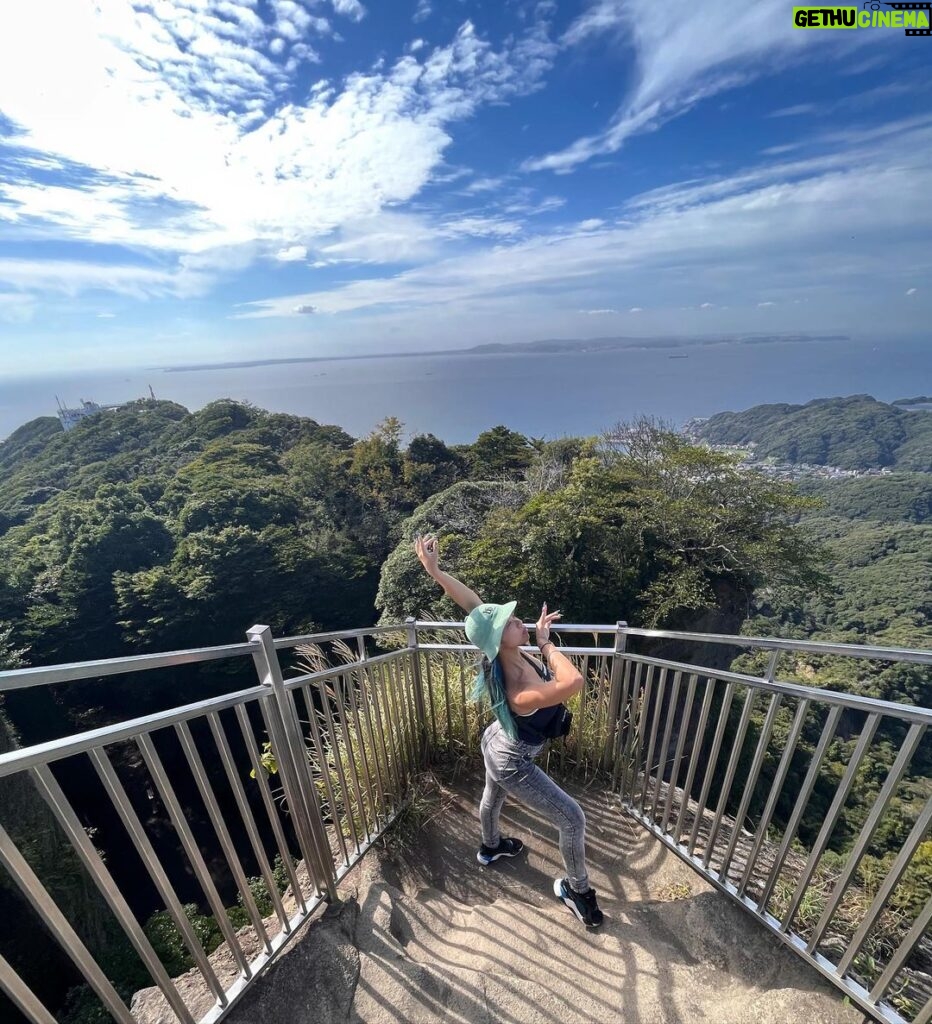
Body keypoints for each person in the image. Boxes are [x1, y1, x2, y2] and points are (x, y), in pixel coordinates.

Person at [414, 532, 604, 928]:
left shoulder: (506, 653)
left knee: (492, 795)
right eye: (513, 623)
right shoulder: (518, 690)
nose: (519, 620)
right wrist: (547, 645)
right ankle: (577, 890)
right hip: (512, 758)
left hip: (496, 741)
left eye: (515, 618)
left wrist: (436, 571)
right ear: (499, 641)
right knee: (572, 819)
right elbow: (573, 684)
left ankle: (491, 847)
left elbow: (471, 604)